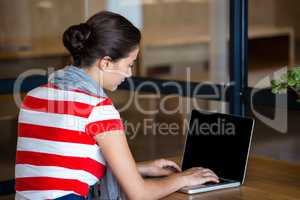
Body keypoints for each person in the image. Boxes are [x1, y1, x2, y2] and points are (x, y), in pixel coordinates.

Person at [15, 11, 219, 200]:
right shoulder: (98, 108)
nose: (130, 74)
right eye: (129, 65)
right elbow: (139, 194)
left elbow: (63, 166)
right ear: (105, 63)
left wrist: (140, 168)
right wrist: (183, 179)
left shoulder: (34, 97)